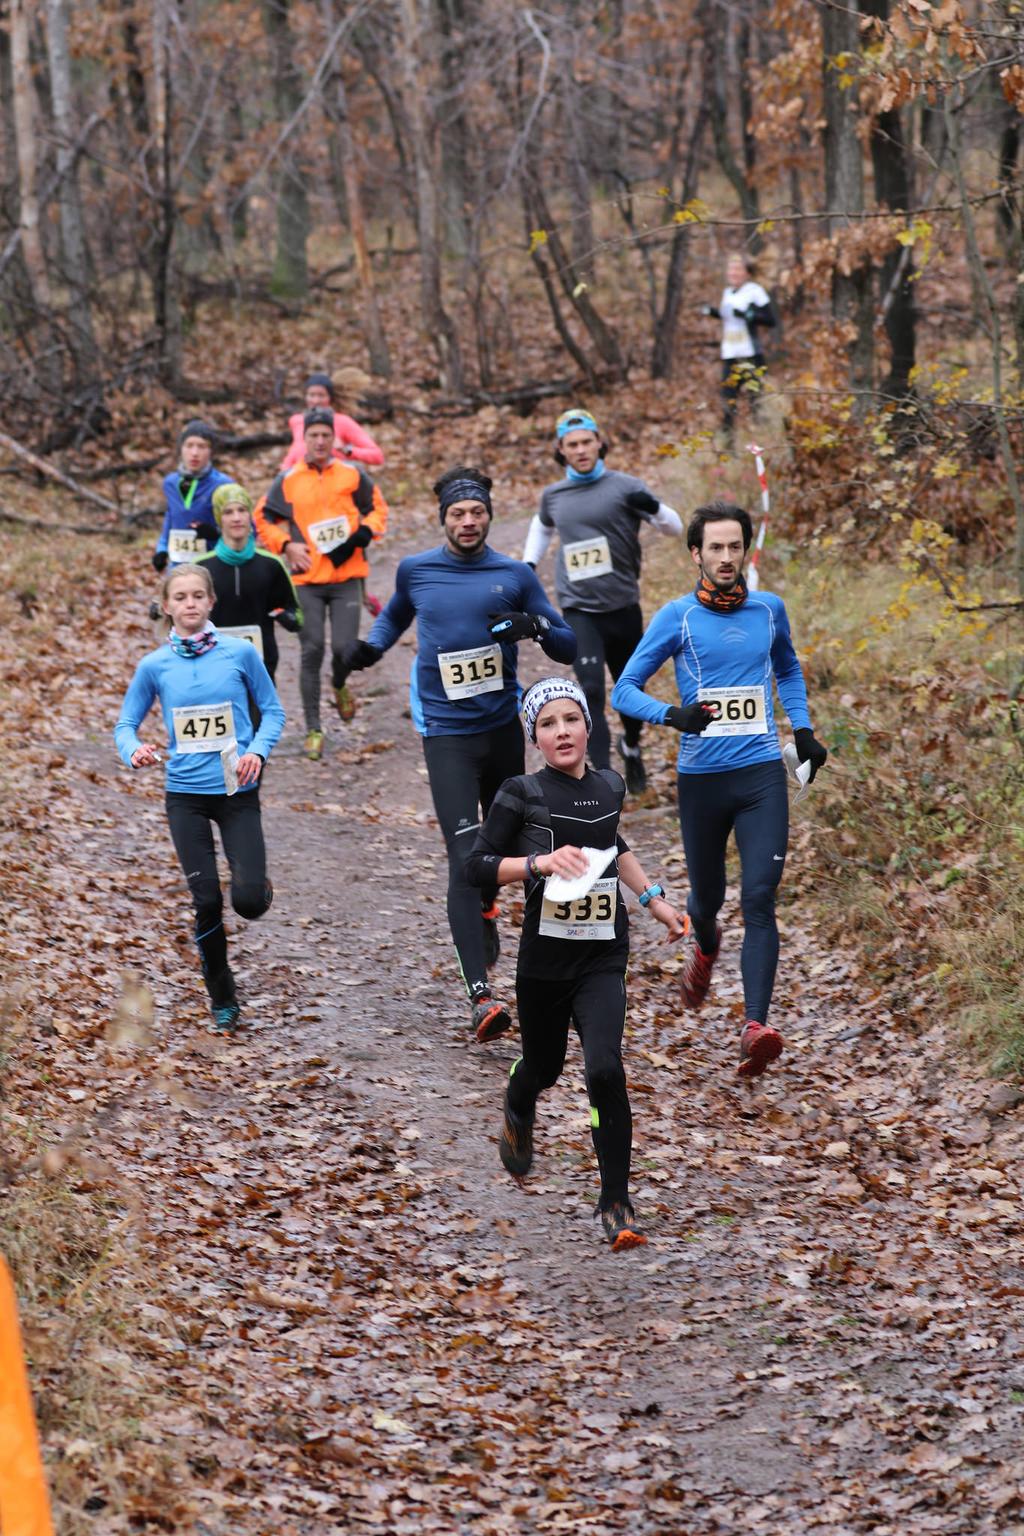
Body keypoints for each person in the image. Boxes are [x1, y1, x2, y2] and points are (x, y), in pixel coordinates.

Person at [340, 466, 576, 1043]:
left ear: (489, 515)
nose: (467, 522)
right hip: (446, 734)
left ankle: (491, 909)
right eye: (457, 514)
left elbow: (567, 644)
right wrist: (370, 650)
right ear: (443, 518)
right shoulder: (417, 570)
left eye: (476, 513)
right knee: (465, 858)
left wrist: (535, 625)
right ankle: (481, 997)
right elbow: (396, 613)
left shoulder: (515, 573)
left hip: (499, 732)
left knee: (499, 847)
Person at [465, 676, 686, 1251]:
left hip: (603, 954)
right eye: (547, 724)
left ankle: (616, 1201)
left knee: (605, 1070)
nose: (561, 732)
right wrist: (537, 864)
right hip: (545, 960)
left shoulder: (609, 785)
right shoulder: (521, 792)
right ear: (533, 737)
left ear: (588, 727)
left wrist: (654, 901)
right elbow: (477, 866)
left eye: (571, 720)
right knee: (545, 1067)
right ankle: (519, 1094)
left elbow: (617, 847)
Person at [611, 500, 828, 1079]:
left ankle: (755, 1026)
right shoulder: (677, 616)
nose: (726, 558)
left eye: (735, 547)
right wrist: (671, 715)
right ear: (696, 554)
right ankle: (705, 944)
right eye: (716, 548)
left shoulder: (768, 610)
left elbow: (787, 669)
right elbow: (623, 690)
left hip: (760, 775)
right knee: (707, 902)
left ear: (745, 551)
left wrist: (802, 730)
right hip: (703, 779)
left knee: (759, 897)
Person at [114, 563, 285, 1034]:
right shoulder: (154, 666)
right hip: (184, 795)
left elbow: (272, 711)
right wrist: (135, 750)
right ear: (167, 606)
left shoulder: (239, 653)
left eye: (197, 596)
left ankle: (256, 885)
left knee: (247, 902)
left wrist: (257, 751)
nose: (189, 604)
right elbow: (125, 725)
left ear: (211, 602)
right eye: (180, 597)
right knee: (206, 898)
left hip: (236, 789)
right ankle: (223, 997)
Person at [522, 409, 682, 796]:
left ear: (599, 443)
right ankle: (604, 780)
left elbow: (674, 528)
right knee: (590, 689)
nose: (580, 450)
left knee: (630, 688)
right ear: (561, 450)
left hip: (623, 604)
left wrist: (655, 507)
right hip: (578, 609)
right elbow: (542, 528)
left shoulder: (626, 487)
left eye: (586, 441)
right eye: (571, 444)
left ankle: (631, 743)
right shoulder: (554, 496)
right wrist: (527, 565)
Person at [254, 405, 389, 759]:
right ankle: (314, 729)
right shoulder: (288, 480)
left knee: (345, 649)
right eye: (312, 435)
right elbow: (262, 518)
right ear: (304, 438)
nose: (319, 441)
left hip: (346, 577)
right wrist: (285, 544)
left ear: (334, 439)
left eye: (325, 435)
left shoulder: (352, 475)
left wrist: (365, 531)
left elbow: (378, 509)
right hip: (307, 580)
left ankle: (340, 684)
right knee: (311, 648)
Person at [196, 483, 302, 684]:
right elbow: (180, 615)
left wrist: (288, 617)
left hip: (261, 667)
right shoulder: (201, 568)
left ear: (250, 516)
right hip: (214, 667)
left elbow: (296, 615)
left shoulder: (271, 565)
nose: (236, 517)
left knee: (256, 716)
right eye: (228, 512)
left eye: (242, 510)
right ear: (219, 519)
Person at [701, 253, 775, 443]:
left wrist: (748, 315)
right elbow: (729, 317)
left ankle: (763, 441)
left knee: (756, 400)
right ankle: (728, 445)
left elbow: (770, 319)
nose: (732, 273)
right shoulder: (727, 292)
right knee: (728, 400)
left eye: (737, 269)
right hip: (730, 355)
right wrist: (713, 313)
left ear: (747, 273)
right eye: (730, 269)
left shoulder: (754, 291)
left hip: (750, 355)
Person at [153, 420, 232, 572]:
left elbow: (248, 529)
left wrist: (217, 532)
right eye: (189, 445)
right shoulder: (171, 483)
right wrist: (161, 549)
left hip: (213, 568)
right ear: (181, 449)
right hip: (178, 568)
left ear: (210, 451)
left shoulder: (224, 485)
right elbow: (171, 519)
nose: (194, 453)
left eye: (202, 446)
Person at [279, 372, 384, 472]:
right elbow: (296, 449)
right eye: (311, 395)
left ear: (330, 398)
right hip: (305, 484)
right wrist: (285, 469)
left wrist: (345, 449)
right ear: (305, 397)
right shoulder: (297, 421)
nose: (316, 401)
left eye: (321, 395)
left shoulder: (343, 422)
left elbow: (377, 456)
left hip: (337, 483)